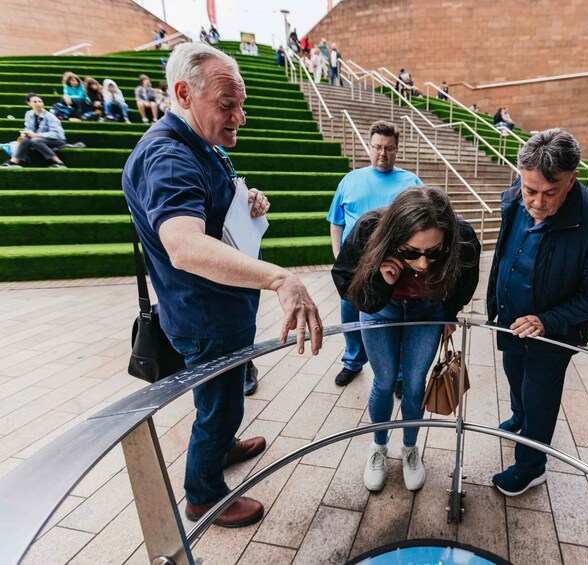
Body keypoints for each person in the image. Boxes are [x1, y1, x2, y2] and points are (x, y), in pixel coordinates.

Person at [122, 42, 323, 528]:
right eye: (227, 105)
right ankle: (203, 494)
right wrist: (278, 277)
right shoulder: (168, 157)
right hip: (204, 316)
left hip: (215, 309)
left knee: (221, 397)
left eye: (241, 104)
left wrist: (242, 201)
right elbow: (185, 246)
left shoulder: (196, 143)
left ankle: (223, 445)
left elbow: (205, 211)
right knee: (219, 405)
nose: (241, 117)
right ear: (183, 94)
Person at [489, 129, 588, 495]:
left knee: (540, 396)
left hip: (553, 333)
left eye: (551, 192)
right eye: (530, 190)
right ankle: (520, 417)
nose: (537, 203)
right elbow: (504, 254)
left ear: (573, 178)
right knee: (514, 373)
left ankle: (532, 466)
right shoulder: (515, 196)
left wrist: (547, 320)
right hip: (510, 319)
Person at [332, 186, 481, 492]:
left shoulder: (462, 237)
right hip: (380, 309)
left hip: (427, 309)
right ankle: (379, 445)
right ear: (393, 237)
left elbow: (465, 282)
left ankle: (410, 449)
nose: (423, 264)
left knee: (414, 383)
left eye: (434, 252)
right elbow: (347, 285)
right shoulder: (369, 229)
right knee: (384, 381)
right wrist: (380, 281)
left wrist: (448, 315)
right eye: (411, 252)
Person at [327, 121, 422, 393]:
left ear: (397, 149)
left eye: (389, 148)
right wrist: (337, 255)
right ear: (369, 146)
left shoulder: (411, 183)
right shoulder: (350, 180)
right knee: (351, 316)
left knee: (394, 321)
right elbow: (336, 222)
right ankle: (353, 361)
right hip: (356, 266)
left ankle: (400, 375)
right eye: (378, 147)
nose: (383, 153)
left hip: (394, 267)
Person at [0, 93, 66, 168]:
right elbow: (28, 128)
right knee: (26, 139)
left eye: (40, 101)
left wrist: (36, 135)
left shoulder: (50, 116)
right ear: (29, 103)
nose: (38, 103)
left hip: (57, 139)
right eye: (35, 102)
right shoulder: (28, 114)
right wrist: (26, 133)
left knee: (35, 141)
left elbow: (56, 134)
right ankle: (14, 162)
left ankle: (59, 163)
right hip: (39, 138)